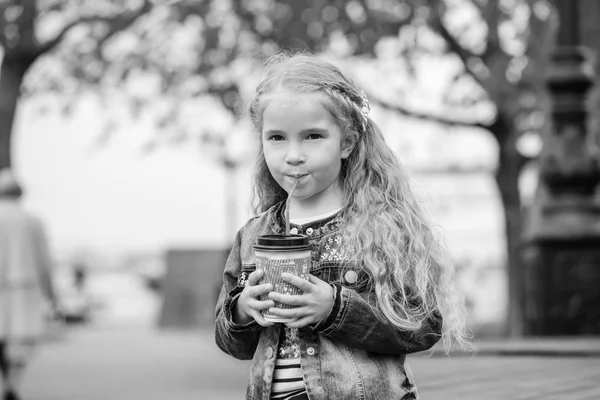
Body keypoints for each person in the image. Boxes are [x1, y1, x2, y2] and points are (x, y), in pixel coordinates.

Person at [215, 53, 472, 400]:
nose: (293, 154)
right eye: (276, 137)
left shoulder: (379, 225)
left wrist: (336, 309)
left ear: (346, 142)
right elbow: (231, 341)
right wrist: (243, 310)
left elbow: (424, 327)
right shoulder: (252, 235)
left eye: (313, 136)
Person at [0, 169, 58, 400]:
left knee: (2, 339)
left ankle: (6, 383)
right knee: (22, 341)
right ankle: (12, 384)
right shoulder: (32, 221)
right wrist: (52, 294)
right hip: (25, 288)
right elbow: (44, 260)